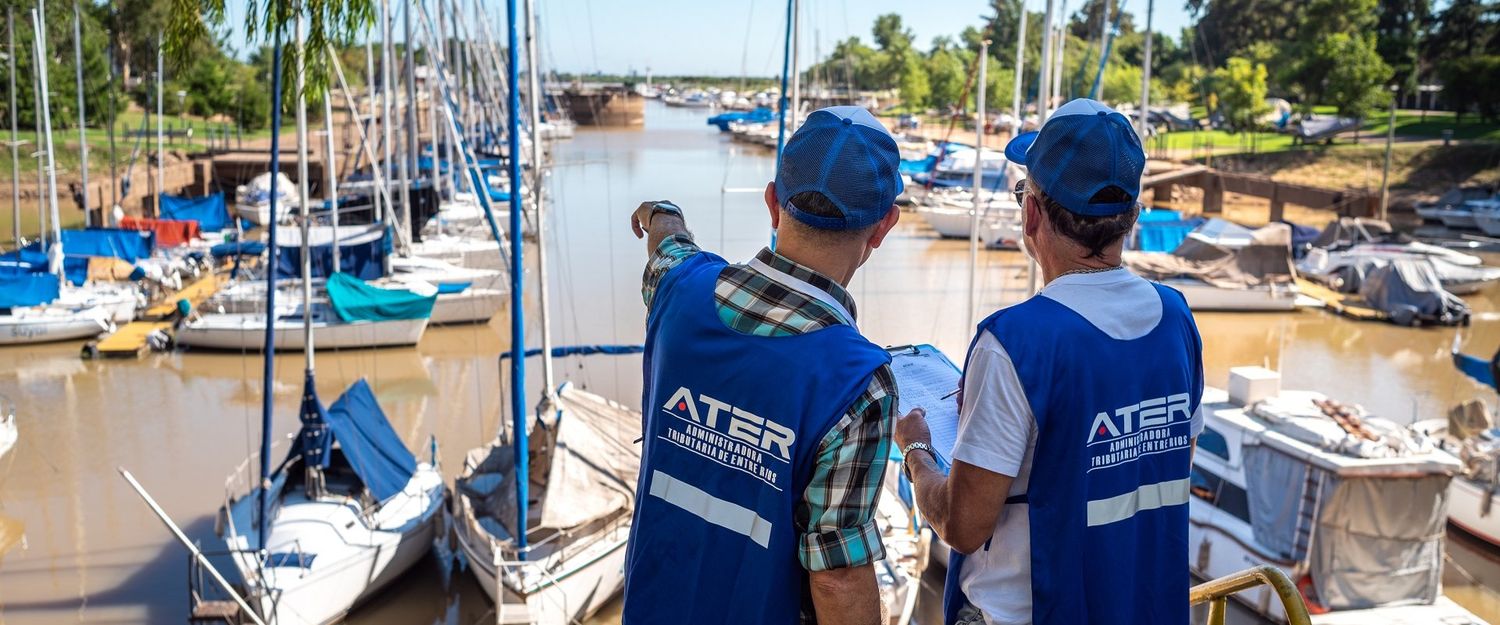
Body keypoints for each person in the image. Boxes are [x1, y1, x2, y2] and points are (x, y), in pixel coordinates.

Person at [894, 98, 1205, 625]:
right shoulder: (1175, 318)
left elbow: (962, 526)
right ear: (1131, 216)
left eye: (1023, 193)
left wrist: (917, 449)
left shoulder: (1017, 342)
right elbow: (1164, 463)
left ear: (1031, 213)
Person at [623, 106, 905, 625]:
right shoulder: (858, 382)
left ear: (773, 203)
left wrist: (663, 212)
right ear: (884, 227)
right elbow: (837, 576)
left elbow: (668, 247)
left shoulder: (678, 289)